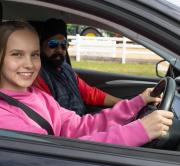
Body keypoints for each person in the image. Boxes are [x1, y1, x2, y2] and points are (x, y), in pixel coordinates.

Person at [0, 20, 173, 147]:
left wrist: (137, 103)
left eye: (34, 54)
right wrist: (139, 131)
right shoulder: (4, 116)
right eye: (17, 54)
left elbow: (80, 126)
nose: (29, 64)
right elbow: (55, 154)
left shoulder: (40, 96)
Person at [35, 18, 121, 116]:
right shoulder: (39, 76)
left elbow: (90, 93)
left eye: (63, 45)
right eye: (53, 44)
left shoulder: (66, 68)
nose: (59, 50)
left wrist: (122, 103)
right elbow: (53, 116)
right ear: (41, 46)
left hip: (82, 119)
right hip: (70, 127)